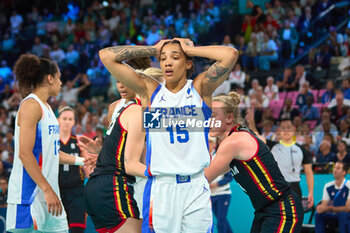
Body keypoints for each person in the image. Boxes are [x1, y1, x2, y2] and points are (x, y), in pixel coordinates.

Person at [98, 38, 238, 233]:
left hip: (196, 185)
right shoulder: (151, 91)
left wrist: (191, 49)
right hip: (162, 185)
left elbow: (230, 55)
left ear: (188, 63)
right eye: (163, 58)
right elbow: (106, 56)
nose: (167, 62)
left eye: (175, 57)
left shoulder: (199, 88)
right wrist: (153, 49)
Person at [6, 54, 90, 233]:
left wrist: (83, 161)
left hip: (49, 194)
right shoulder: (30, 105)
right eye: (59, 78)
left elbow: (52, 153)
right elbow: (24, 153)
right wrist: (47, 189)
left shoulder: (48, 109)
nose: (61, 83)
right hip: (28, 196)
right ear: (50, 78)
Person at [80, 60, 163, 233]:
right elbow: (131, 162)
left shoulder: (142, 110)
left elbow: (120, 148)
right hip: (123, 183)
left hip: (107, 182)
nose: (121, 86)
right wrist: (165, 172)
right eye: (118, 80)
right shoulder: (133, 110)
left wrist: (100, 154)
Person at [205, 92, 304, 233]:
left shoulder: (233, 141)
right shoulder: (239, 136)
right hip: (265, 210)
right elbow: (213, 172)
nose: (208, 120)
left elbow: (205, 177)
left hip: (281, 208)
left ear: (229, 117)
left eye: (213, 115)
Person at [250, 118, 314, 208]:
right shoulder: (272, 146)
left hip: (295, 187)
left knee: (294, 218)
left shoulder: (302, 150)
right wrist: (251, 121)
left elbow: (309, 172)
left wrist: (311, 192)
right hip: (276, 187)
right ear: (279, 130)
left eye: (288, 127)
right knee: (277, 217)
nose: (286, 131)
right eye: (283, 128)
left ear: (294, 129)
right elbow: (256, 137)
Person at [57, 106, 87, 233]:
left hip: (76, 191)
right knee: (57, 229)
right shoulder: (52, 141)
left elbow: (87, 165)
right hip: (56, 191)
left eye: (70, 119)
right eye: (64, 118)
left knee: (77, 229)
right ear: (58, 120)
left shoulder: (79, 141)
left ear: (74, 121)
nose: (67, 122)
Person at [315, 161, 350, 233]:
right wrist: (320, 208)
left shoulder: (348, 185)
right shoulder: (328, 186)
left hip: (346, 216)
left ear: (344, 172)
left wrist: (328, 208)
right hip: (334, 215)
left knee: (343, 214)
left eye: (338, 168)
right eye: (334, 168)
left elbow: (347, 208)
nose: (335, 170)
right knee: (318, 214)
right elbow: (323, 206)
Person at [209, 136, 233, 233]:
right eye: (207, 142)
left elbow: (229, 177)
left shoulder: (220, 157)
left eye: (210, 142)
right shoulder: (203, 158)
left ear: (215, 144)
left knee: (221, 222)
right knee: (221, 221)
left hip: (223, 194)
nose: (208, 144)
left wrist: (217, 184)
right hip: (210, 195)